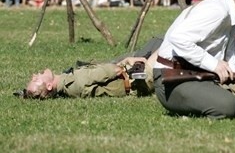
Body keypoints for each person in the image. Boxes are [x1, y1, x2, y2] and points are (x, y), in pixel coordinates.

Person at [21, 56, 150, 99]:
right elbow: (115, 70)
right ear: (49, 86)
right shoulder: (76, 80)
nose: (34, 75)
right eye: (36, 80)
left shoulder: (66, 85)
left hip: (133, 76)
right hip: (138, 78)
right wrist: (128, 59)